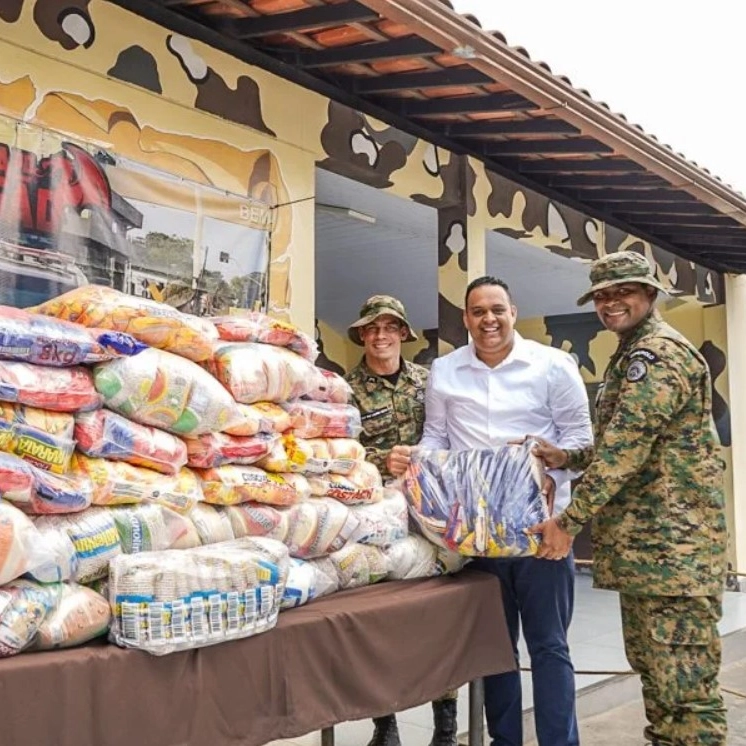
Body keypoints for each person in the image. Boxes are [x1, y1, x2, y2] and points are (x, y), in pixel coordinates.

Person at [529, 251, 728, 746]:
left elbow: (627, 448)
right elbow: (632, 438)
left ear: (649, 293)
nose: (610, 303)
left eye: (622, 292)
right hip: (652, 557)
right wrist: (569, 457)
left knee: (684, 693)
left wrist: (567, 522)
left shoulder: (656, 354)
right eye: (601, 295)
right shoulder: (634, 350)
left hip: (673, 554)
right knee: (660, 680)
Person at [389, 277, 593, 746]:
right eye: (478, 311)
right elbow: (437, 438)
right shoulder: (446, 370)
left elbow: (583, 443)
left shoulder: (553, 366)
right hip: (475, 536)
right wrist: (413, 461)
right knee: (496, 650)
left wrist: (554, 475)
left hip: (542, 532)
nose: (488, 320)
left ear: (513, 311)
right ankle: (505, 741)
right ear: (466, 319)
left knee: (549, 648)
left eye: (497, 309)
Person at [345, 294, 457, 746]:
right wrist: (378, 459)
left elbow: (452, 434)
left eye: (389, 327)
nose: (380, 335)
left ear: (404, 335)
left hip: (433, 514)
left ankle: (446, 725)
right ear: (362, 335)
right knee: (381, 623)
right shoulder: (346, 388)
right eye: (372, 328)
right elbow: (340, 453)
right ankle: (384, 724)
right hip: (376, 518)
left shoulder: (428, 382)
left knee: (440, 618)